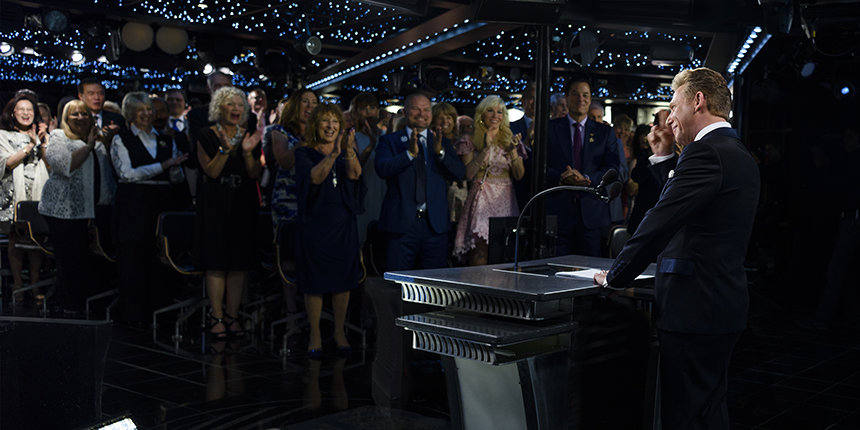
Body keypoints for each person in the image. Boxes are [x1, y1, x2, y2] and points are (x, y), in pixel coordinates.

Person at [594, 67, 760, 430]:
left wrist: (616, 277)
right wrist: (665, 159)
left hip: (694, 308)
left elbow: (660, 221)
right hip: (719, 303)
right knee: (708, 412)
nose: (669, 117)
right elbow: (692, 208)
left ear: (697, 101)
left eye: (673, 105)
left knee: (684, 417)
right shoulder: (734, 151)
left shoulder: (706, 153)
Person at [111, 92, 188, 324]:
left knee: (160, 260)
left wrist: (176, 168)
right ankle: (132, 316)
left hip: (161, 205)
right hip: (133, 206)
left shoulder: (165, 139)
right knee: (133, 260)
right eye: (140, 110)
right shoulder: (121, 139)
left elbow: (175, 177)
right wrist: (164, 165)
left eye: (148, 109)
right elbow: (127, 174)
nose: (146, 114)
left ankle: (161, 314)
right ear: (130, 114)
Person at [294, 103, 363, 356]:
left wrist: (348, 151)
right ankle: (315, 334)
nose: (331, 126)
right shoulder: (304, 152)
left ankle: (339, 332)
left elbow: (355, 175)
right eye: (325, 121)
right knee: (315, 281)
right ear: (316, 125)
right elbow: (314, 178)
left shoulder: (347, 150)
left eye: (335, 121)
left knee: (343, 280)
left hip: (343, 223)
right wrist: (333, 154)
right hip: (315, 223)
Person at [195, 86, 263, 340]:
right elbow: (211, 171)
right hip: (215, 204)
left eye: (239, 105)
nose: (236, 109)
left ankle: (233, 316)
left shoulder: (249, 135)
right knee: (216, 262)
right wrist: (225, 149)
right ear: (218, 108)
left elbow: (254, 173)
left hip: (242, 203)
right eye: (230, 104)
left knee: (238, 263)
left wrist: (246, 152)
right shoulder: (206, 134)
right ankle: (217, 317)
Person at [375, 93, 465, 271]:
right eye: (416, 109)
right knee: (398, 281)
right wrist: (408, 154)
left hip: (435, 227)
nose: (421, 114)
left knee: (433, 282)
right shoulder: (390, 141)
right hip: (401, 225)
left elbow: (460, 173)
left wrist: (440, 153)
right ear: (405, 111)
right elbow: (382, 169)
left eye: (426, 109)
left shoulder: (442, 142)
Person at [38, 100, 103, 315]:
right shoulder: (59, 137)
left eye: (84, 114)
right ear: (65, 118)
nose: (80, 118)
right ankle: (69, 306)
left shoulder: (96, 139)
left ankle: (81, 303)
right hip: (62, 210)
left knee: (83, 260)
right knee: (69, 260)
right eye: (74, 114)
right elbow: (65, 166)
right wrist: (89, 146)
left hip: (88, 209)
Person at [546, 75, 620, 257]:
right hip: (559, 211)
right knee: (556, 267)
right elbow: (540, 165)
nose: (581, 99)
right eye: (575, 94)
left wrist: (587, 179)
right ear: (566, 97)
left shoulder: (605, 132)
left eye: (585, 95)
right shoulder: (550, 128)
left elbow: (613, 168)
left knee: (591, 267)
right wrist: (562, 178)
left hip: (592, 214)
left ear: (590, 98)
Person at [453, 95, 525, 265]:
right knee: (479, 252)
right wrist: (486, 149)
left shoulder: (510, 139)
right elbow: (468, 174)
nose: (495, 115)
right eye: (490, 111)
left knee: (504, 251)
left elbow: (519, 175)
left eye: (500, 112)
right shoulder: (470, 139)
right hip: (482, 197)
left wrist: (513, 151)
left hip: (505, 198)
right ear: (481, 114)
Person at [0, 93, 49, 301]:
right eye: (21, 109)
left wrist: (43, 141)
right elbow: (8, 163)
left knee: (36, 237)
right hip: (14, 194)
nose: (26, 113)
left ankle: (35, 284)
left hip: (39, 192)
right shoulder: (3, 135)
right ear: (13, 112)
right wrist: (29, 146)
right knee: (16, 238)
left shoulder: (43, 135)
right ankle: (18, 285)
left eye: (30, 109)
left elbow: (50, 165)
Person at [627, 110, 677, 234]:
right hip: (643, 216)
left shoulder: (682, 154)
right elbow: (636, 176)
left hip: (667, 221)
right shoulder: (647, 154)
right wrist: (656, 155)